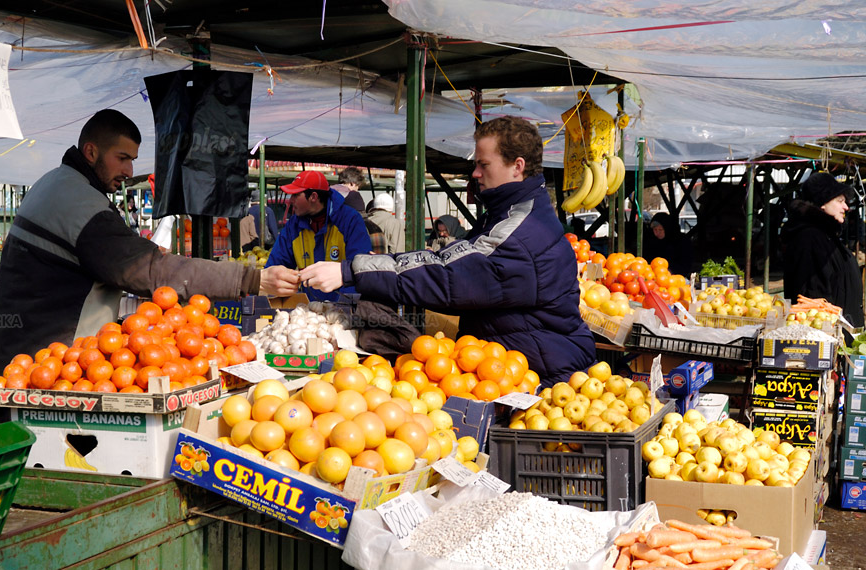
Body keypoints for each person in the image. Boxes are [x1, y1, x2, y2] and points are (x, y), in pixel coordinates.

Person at [0, 109, 296, 376]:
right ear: (91, 152)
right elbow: (149, 271)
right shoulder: (79, 204)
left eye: (132, 160)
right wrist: (251, 279)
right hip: (41, 365)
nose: (129, 171)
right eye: (122, 158)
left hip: (21, 357)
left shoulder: (56, 182)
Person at [300, 115, 596, 384]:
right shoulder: (510, 214)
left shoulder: (519, 233)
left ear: (517, 166)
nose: (476, 174)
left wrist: (350, 270)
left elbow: (446, 273)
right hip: (510, 366)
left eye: (484, 164)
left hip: (545, 375)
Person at [264, 170, 372, 302]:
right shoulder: (293, 225)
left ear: (313, 197)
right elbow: (275, 268)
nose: (291, 200)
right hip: (309, 313)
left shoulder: (350, 220)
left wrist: (341, 309)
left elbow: (359, 270)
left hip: (344, 311)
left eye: (296, 195)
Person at [782, 172, 864, 327]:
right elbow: (813, 298)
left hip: (842, 335)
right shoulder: (809, 239)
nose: (846, 207)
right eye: (840, 201)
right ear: (822, 203)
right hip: (828, 340)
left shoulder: (826, 236)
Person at [643, 211, 692, 277]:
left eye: (660, 230)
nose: (657, 233)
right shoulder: (651, 241)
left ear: (667, 228)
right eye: (655, 230)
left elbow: (685, 264)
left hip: (676, 278)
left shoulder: (681, 241)